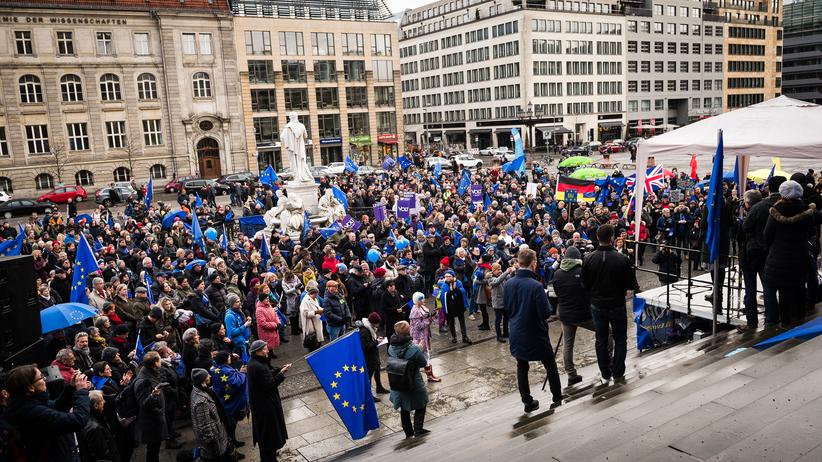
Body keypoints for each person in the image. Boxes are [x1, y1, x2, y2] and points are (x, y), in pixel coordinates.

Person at [504, 248, 563, 412]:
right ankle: (557, 396)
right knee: (550, 364)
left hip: (516, 330)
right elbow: (545, 312)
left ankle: (527, 401)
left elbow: (506, 308)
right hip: (535, 332)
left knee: (522, 365)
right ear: (533, 264)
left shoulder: (509, 283)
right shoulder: (536, 286)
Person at [581, 224, 639, 383]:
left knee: (601, 339)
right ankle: (617, 371)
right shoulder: (622, 258)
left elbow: (584, 284)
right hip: (616, 304)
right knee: (620, 338)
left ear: (598, 238)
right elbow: (631, 284)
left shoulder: (589, 258)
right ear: (612, 237)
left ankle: (605, 372)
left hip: (598, 304)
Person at [763, 180, 822, 327]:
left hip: (778, 257)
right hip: (800, 255)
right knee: (799, 286)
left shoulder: (775, 212)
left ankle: (785, 322)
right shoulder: (807, 212)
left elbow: (767, 236)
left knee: (783, 290)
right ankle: (800, 318)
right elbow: (810, 233)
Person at [3, 364, 91, 461]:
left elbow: (56, 407)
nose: (45, 379)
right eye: (41, 377)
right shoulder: (32, 411)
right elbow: (78, 420)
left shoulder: (27, 403)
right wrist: (82, 391)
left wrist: (71, 387)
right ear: (31, 387)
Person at [552, 246, 594, 386]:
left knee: (568, 344)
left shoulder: (557, 274)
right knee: (607, 331)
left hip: (565, 313)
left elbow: (556, 293)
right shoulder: (583, 272)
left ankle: (571, 374)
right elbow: (590, 290)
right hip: (583, 314)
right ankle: (608, 362)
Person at [247, 340, 290, 462]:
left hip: (263, 405)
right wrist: (281, 374)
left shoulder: (256, 362)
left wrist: (279, 370)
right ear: (258, 351)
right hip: (265, 407)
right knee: (268, 437)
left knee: (267, 437)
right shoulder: (257, 366)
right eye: (265, 349)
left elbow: (267, 374)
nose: (267, 350)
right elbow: (269, 385)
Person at [387, 321, 430, 438]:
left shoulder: (391, 347)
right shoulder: (414, 349)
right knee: (422, 403)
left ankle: (408, 432)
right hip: (414, 382)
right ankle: (418, 429)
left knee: (404, 408)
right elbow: (423, 362)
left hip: (398, 382)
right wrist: (420, 348)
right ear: (407, 333)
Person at [190, 368, 234, 462]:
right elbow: (204, 425)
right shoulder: (201, 401)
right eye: (207, 375)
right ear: (203, 379)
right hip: (215, 443)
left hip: (218, 434)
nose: (210, 376)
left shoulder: (202, 390)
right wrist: (213, 445)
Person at [134, 351, 169, 462]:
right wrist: (153, 396)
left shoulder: (150, 372)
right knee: (153, 451)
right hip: (151, 424)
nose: (161, 362)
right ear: (155, 362)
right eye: (159, 360)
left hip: (155, 420)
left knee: (155, 449)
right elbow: (143, 404)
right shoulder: (143, 381)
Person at [738, 189, 765, 330]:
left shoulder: (752, 212)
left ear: (748, 203)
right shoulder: (767, 208)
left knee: (750, 290)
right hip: (765, 252)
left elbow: (742, 232)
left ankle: (751, 322)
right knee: (768, 287)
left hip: (751, 255)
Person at [78, 390, 120, 462]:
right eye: (102, 400)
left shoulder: (89, 419)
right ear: (96, 405)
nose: (104, 402)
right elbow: (102, 455)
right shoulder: (95, 428)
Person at [408, 292, 441, 382]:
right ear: (417, 301)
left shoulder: (421, 307)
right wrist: (429, 319)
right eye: (421, 299)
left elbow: (426, 316)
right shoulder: (414, 311)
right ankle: (424, 377)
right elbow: (419, 326)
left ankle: (430, 376)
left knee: (426, 356)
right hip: (419, 338)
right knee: (422, 357)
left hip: (424, 336)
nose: (424, 300)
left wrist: (431, 315)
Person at [358, 312, 389, 400]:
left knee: (377, 369)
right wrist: (376, 342)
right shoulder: (365, 331)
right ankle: (369, 395)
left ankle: (379, 387)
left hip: (374, 355)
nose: (378, 325)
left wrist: (377, 339)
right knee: (369, 376)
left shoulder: (370, 328)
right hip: (369, 357)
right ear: (373, 322)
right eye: (377, 323)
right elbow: (366, 346)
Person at [437, 270, 472, 344]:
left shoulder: (458, 283)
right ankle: (454, 337)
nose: (447, 278)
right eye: (446, 276)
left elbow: (463, 292)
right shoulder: (444, 285)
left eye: (449, 276)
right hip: (450, 307)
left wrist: (455, 289)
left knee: (462, 321)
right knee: (451, 323)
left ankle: (464, 336)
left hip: (459, 306)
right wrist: (450, 291)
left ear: (453, 277)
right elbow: (443, 296)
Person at [487, 262, 513, 343]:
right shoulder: (490, 278)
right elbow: (497, 281)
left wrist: (513, 271)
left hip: (505, 301)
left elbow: (509, 277)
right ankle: (499, 336)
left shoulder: (502, 275)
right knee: (498, 320)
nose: (500, 271)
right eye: (498, 269)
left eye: (500, 269)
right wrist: (506, 272)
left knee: (506, 319)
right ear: (493, 270)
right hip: (497, 303)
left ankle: (506, 333)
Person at [299, 284, 325, 350]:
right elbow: (305, 313)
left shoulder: (314, 299)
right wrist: (316, 312)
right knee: (312, 341)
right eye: (315, 294)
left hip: (317, 321)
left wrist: (322, 309)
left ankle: (318, 345)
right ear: (311, 293)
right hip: (310, 324)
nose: (316, 296)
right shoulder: (305, 301)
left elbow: (317, 307)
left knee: (317, 339)